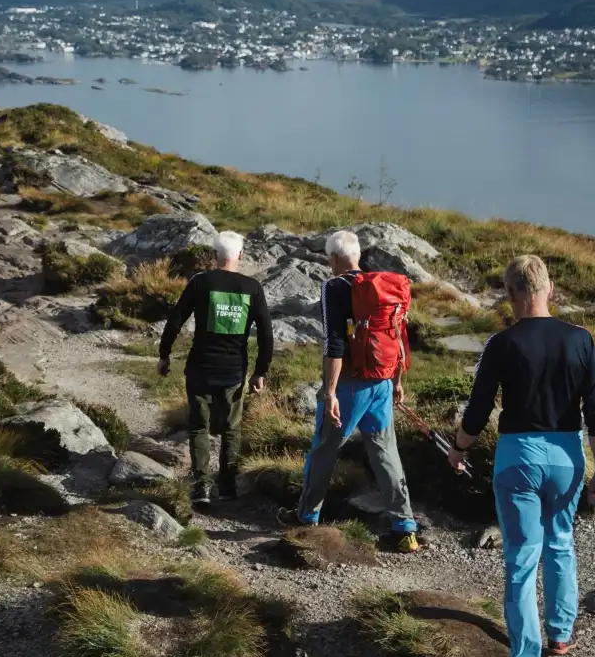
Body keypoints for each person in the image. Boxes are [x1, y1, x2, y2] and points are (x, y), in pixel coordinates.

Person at [447, 254, 595, 657]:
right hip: (567, 457)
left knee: (521, 562)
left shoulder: (502, 343)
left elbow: (478, 410)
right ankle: (559, 634)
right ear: (548, 289)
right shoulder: (582, 340)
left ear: (512, 295)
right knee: (560, 542)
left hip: (518, 457)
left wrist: (459, 449)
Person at [282, 230, 419, 551]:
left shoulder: (335, 286)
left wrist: (330, 392)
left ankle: (306, 516)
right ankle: (404, 526)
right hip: (383, 381)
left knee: (325, 448)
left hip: (350, 386)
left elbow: (335, 342)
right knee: (385, 452)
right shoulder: (382, 287)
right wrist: (397, 380)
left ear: (332, 258)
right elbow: (398, 335)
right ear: (357, 255)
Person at [159, 231, 273, 511]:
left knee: (199, 427)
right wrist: (260, 372)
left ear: (215, 255)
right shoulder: (252, 287)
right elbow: (267, 334)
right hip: (234, 371)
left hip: (199, 369)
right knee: (231, 429)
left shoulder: (201, 282)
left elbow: (175, 320)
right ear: (241, 256)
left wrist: (164, 355)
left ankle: (201, 487)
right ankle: (228, 485)